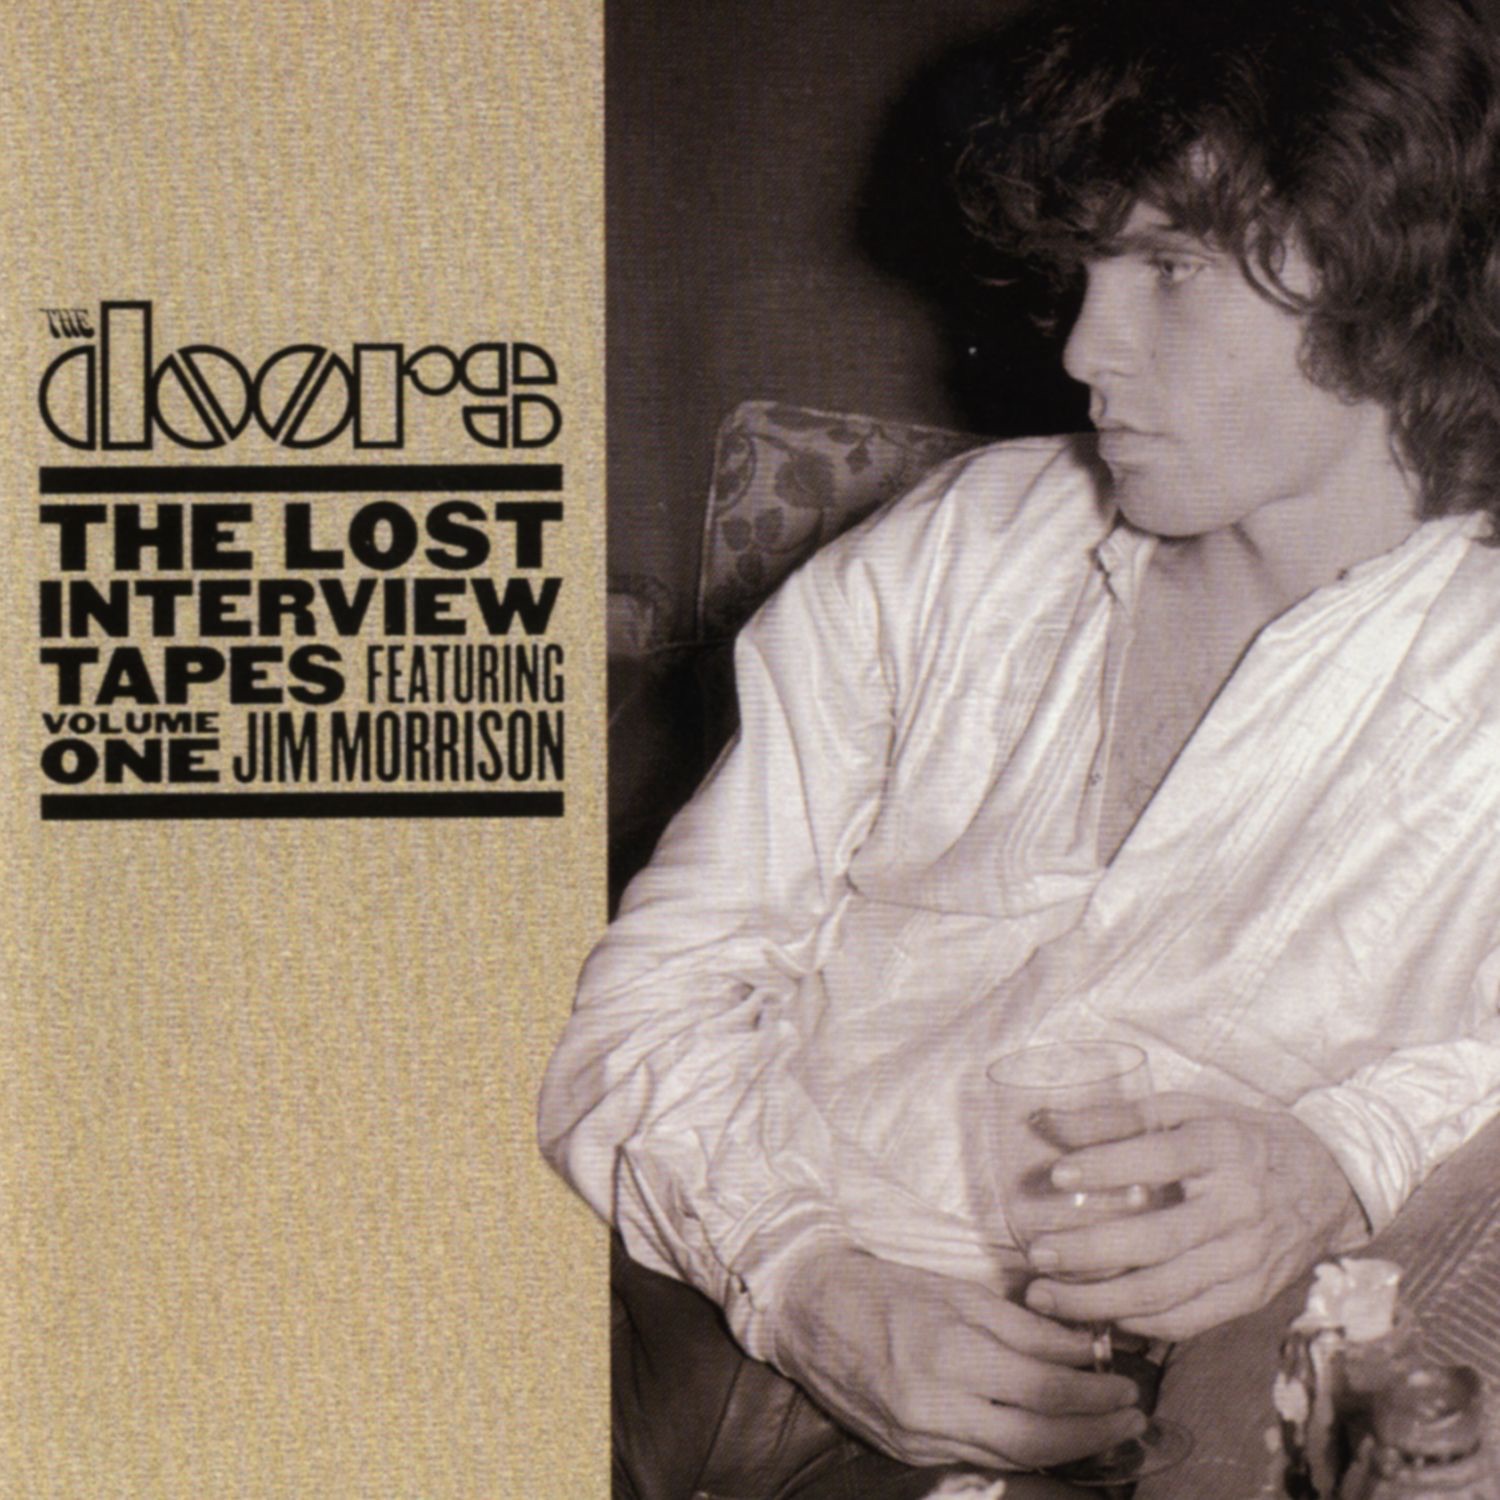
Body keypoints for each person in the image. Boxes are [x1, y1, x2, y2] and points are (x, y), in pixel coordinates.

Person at [541, 0, 1500, 1486]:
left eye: (1169, 269)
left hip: (1039, 1430)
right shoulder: (961, 543)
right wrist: (799, 1276)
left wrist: (1347, 1155)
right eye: (1087, 270)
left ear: (1394, 278)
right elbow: (650, 992)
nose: (1084, 346)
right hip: (652, 1264)